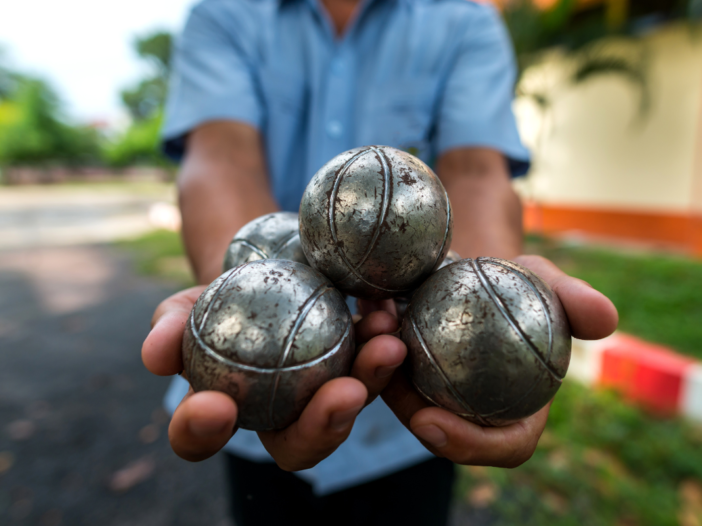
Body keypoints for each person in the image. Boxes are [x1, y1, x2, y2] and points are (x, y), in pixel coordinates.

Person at [141, 0, 619, 524]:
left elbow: (478, 172)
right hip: (253, 410)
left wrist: (494, 299)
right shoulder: (224, 14)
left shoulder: (466, 20)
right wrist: (232, 288)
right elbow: (220, 157)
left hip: (410, 408)